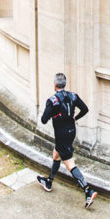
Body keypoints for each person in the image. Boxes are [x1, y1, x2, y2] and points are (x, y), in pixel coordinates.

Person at [36, 72, 98, 208]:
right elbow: (85, 109)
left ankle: (88, 190)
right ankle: (49, 181)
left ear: (54, 84)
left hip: (61, 134)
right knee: (56, 154)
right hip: (71, 131)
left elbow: (44, 120)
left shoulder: (52, 100)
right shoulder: (73, 96)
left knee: (69, 163)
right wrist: (75, 118)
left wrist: (52, 113)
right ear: (64, 84)